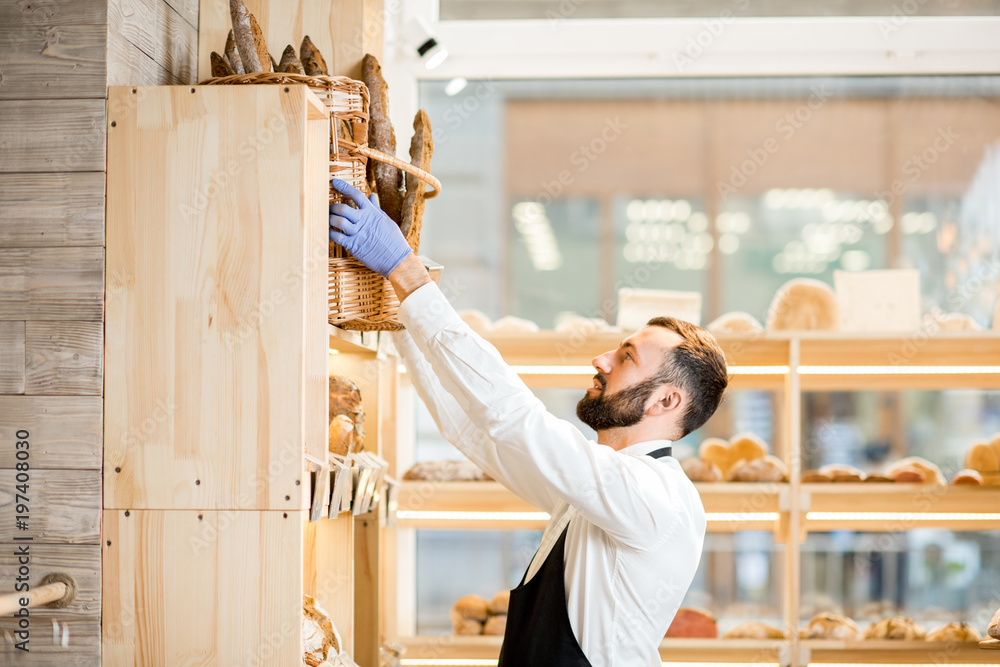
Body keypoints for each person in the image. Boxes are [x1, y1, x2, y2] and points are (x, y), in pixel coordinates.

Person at [330, 179, 730, 667]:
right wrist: (400, 315)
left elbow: (513, 418)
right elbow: (479, 434)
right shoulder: (595, 495)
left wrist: (406, 272)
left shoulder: (655, 497)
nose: (602, 359)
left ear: (666, 400)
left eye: (625, 356)